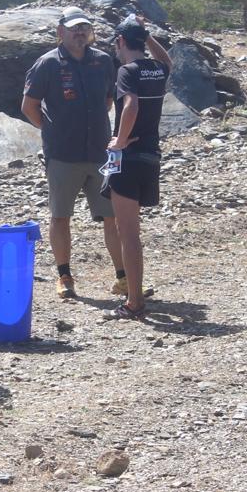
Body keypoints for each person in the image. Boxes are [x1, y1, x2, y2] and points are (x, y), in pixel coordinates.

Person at [21, 6, 123, 300]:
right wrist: (52, 130)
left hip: (100, 152)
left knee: (111, 217)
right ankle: (64, 275)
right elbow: (29, 106)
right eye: (74, 28)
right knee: (61, 216)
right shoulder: (47, 64)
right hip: (63, 154)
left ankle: (122, 277)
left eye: (84, 28)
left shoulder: (103, 61)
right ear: (60, 32)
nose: (80, 33)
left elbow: (107, 100)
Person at [102, 16, 173, 319]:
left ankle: (134, 302)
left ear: (119, 42)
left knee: (127, 233)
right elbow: (166, 59)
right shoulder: (156, 69)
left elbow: (129, 104)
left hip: (128, 159)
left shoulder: (127, 71)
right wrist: (147, 37)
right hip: (151, 155)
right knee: (131, 231)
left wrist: (118, 140)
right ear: (140, 42)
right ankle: (134, 296)